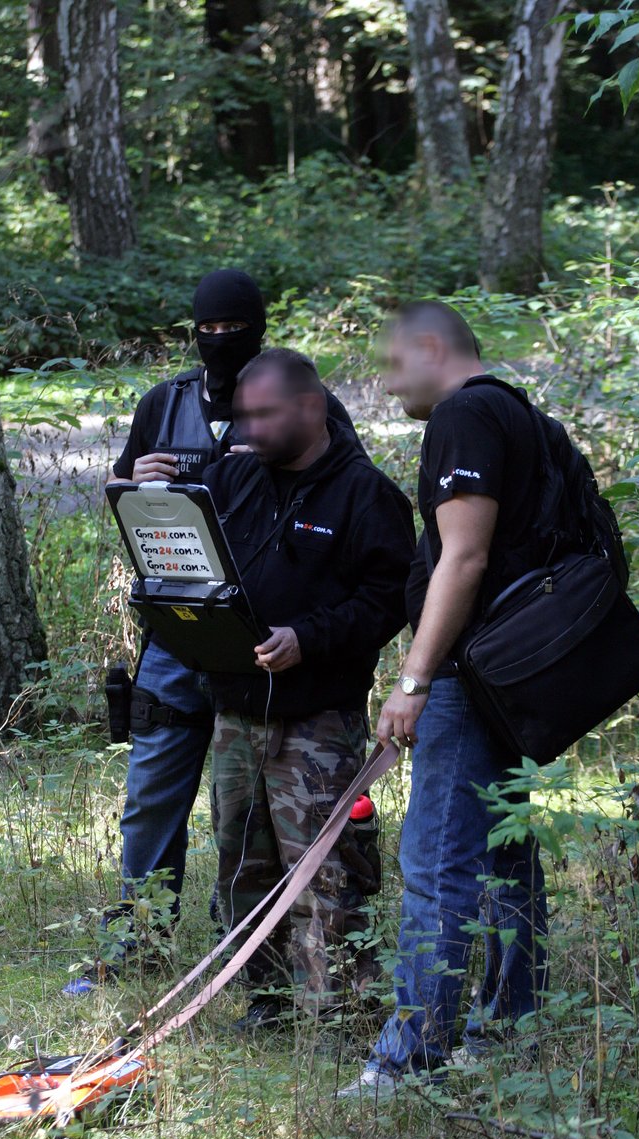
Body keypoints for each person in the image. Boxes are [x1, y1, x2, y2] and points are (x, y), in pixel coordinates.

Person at [64, 270, 355, 996]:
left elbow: (343, 493)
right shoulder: (165, 404)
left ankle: (275, 959)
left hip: (262, 641)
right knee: (153, 794)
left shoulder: (297, 401)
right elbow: (125, 503)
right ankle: (137, 941)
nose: (220, 341)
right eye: (209, 330)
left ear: (259, 327)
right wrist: (136, 478)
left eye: (235, 329)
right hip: (176, 633)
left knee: (256, 816)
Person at [337, 300, 549, 1097]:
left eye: (393, 366)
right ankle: (512, 1029)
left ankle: (410, 1057)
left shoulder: (465, 416)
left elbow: (464, 557)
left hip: (470, 675)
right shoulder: (517, 413)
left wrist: (414, 680)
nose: (389, 386)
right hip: (517, 674)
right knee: (504, 853)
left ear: (431, 348)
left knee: (435, 864)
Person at [204, 348, 416, 1027]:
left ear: (311, 407)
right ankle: (265, 1002)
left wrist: (310, 637)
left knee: (326, 870)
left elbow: (389, 600)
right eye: (243, 416)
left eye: (265, 414)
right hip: (237, 710)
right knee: (242, 862)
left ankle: (341, 1013)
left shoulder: (366, 495)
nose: (251, 429)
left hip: (317, 719)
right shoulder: (234, 480)